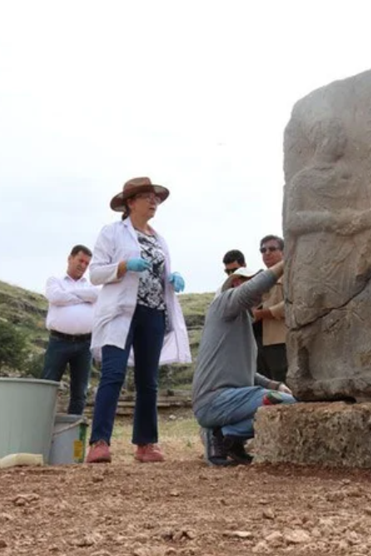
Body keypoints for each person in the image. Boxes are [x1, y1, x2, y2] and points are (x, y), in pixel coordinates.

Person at [86, 177, 191, 464]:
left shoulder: (159, 239)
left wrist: (172, 277)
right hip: (121, 312)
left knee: (148, 380)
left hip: (153, 312)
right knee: (113, 374)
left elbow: (160, 272)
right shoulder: (112, 233)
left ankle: (146, 444)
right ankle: (99, 442)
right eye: (147, 196)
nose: (153, 201)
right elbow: (95, 274)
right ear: (130, 203)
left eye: (156, 197)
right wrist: (123, 266)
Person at [192, 264, 295, 466]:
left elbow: (246, 372)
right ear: (236, 283)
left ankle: (226, 438)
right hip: (217, 400)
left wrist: (275, 385)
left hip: (218, 401)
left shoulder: (236, 321)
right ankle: (223, 434)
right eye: (250, 279)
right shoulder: (224, 303)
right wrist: (286, 262)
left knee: (280, 398)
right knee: (285, 403)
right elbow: (252, 289)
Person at [42, 245, 98, 415]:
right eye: (80, 260)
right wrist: (83, 297)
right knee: (48, 386)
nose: (83, 265)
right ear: (70, 258)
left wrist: (69, 295)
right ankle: (42, 425)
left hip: (84, 343)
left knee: (80, 391)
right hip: (59, 341)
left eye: (87, 263)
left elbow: (96, 296)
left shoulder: (91, 286)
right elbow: (56, 297)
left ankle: (74, 428)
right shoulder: (54, 281)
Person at [252, 235, 288, 382]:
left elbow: (292, 304)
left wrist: (263, 314)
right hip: (259, 342)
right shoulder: (258, 279)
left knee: (283, 383)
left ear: (283, 252)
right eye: (263, 250)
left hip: (280, 341)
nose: (267, 253)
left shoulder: (291, 275)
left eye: (272, 249)